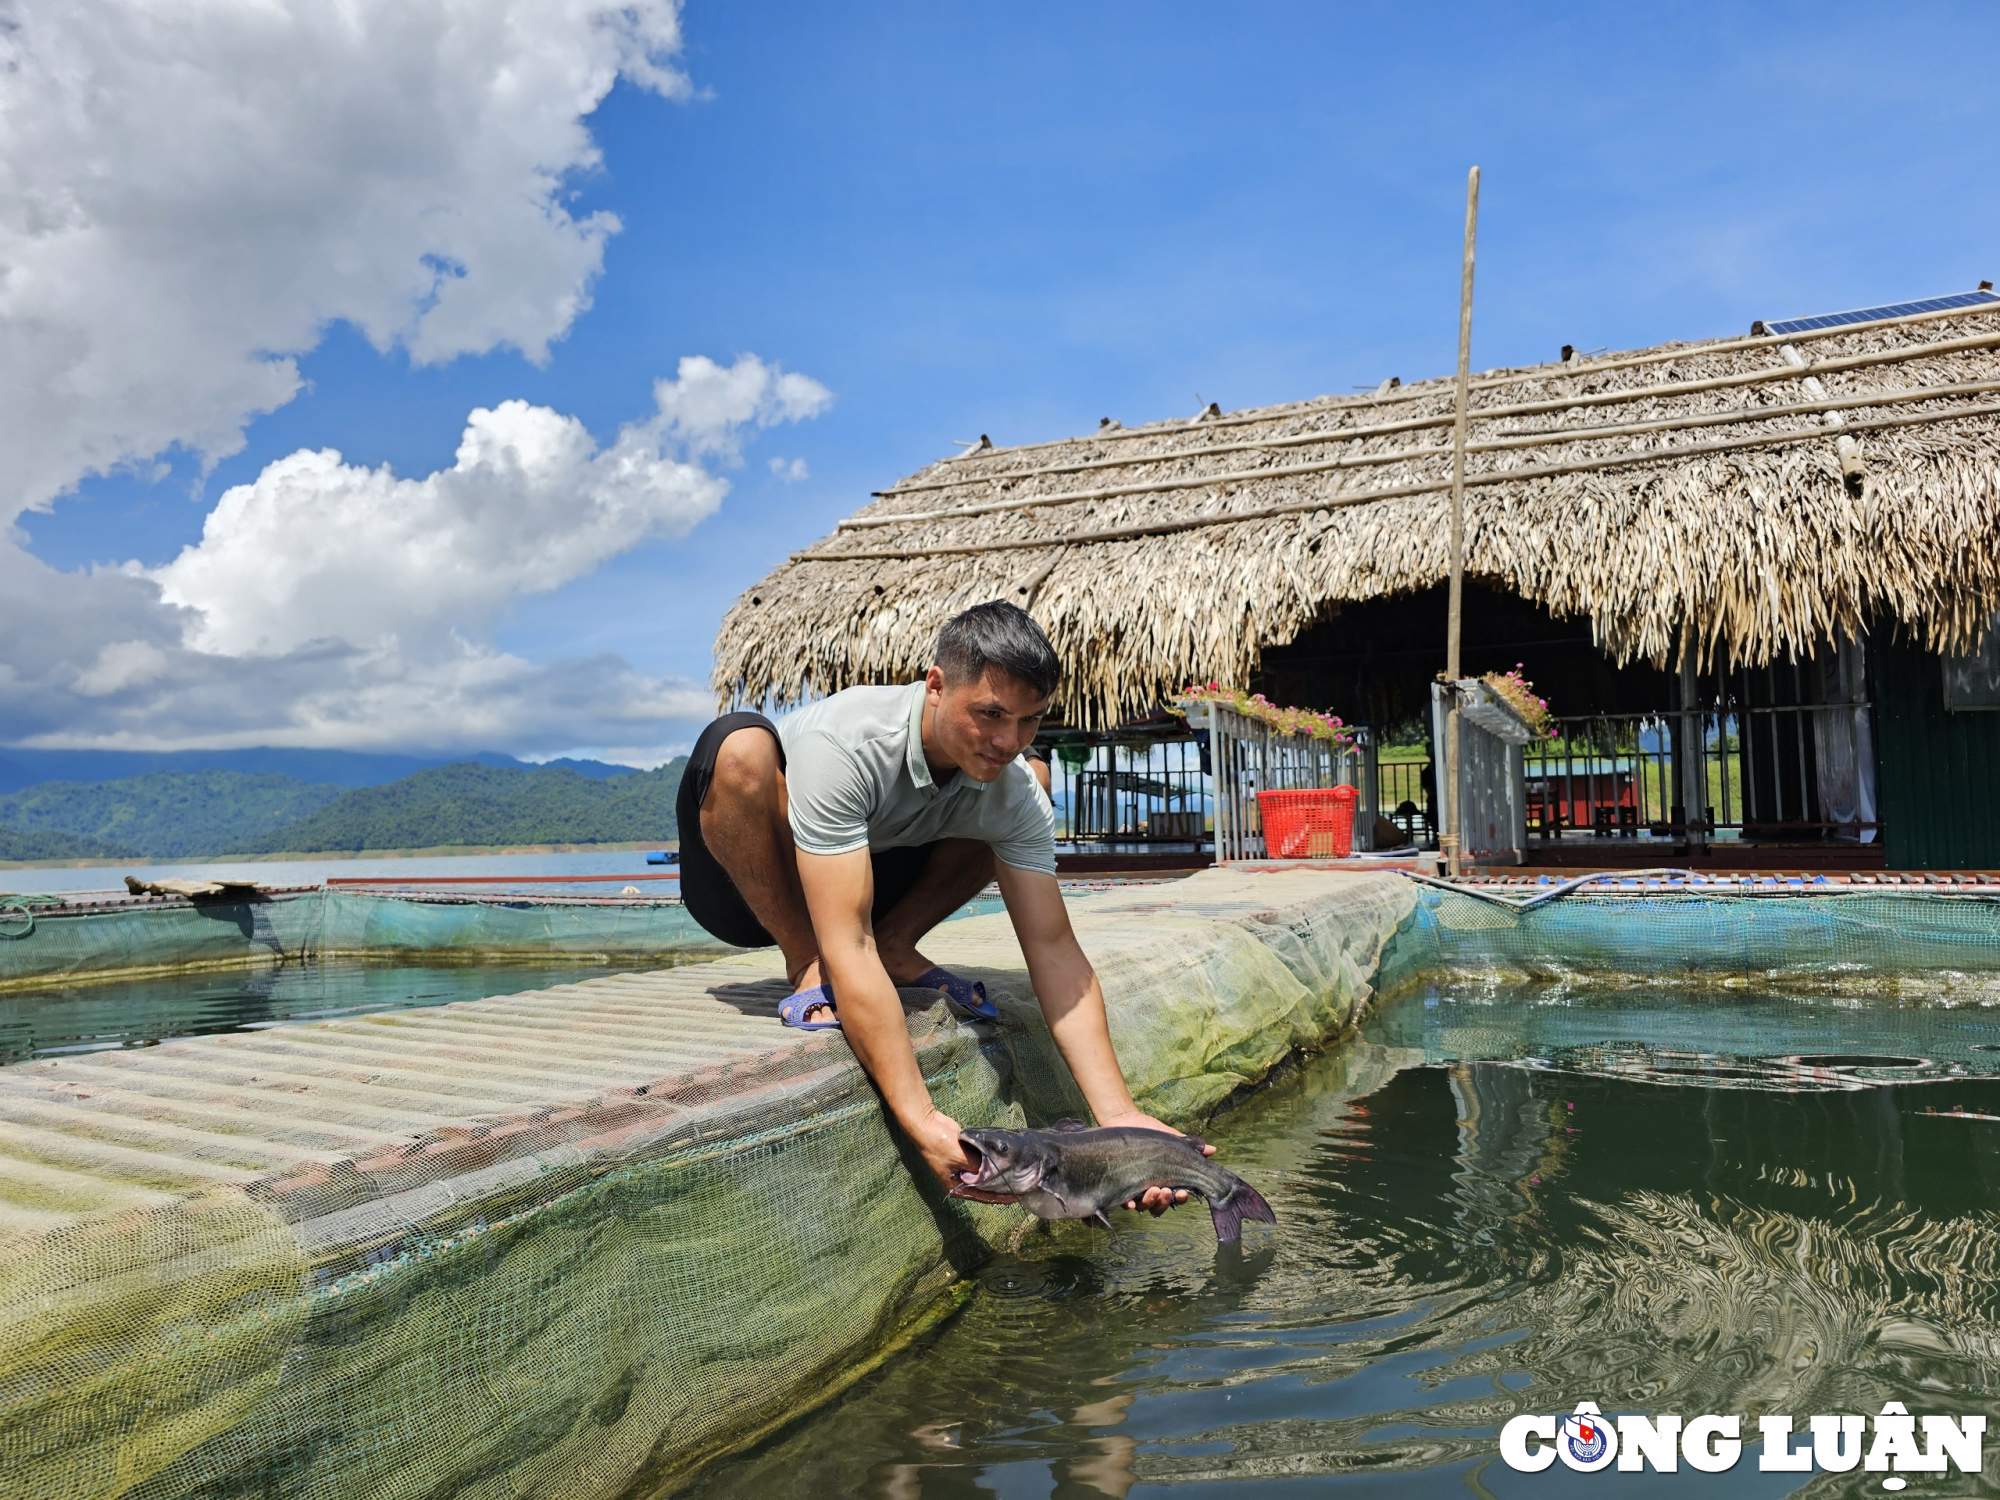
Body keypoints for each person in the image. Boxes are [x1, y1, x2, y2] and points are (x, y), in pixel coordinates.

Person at [676, 600, 1205, 1211]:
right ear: (935, 686)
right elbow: (849, 942)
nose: (1009, 740)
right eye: (990, 714)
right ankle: (803, 961)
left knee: (1024, 785)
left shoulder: (1009, 778)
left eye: (1030, 720)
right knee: (740, 745)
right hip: (747, 886)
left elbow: (1056, 951)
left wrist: (1121, 1119)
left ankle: (899, 944)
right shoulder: (846, 741)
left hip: (867, 878)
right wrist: (922, 1118)